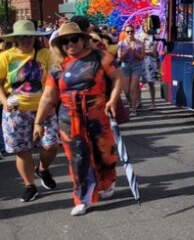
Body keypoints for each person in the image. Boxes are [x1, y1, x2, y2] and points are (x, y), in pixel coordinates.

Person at [34, 22, 123, 216]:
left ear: (83, 40)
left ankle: (107, 181)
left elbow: (117, 78)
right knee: (78, 158)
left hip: (98, 115)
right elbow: (48, 96)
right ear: (60, 45)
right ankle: (83, 198)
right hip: (69, 118)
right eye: (65, 42)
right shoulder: (57, 66)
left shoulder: (100, 57)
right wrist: (38, 122)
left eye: (74, 39)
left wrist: (113, 101)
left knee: (104, 153)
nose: (70, 44)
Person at [0, 20, 58, 202]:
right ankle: (29, 185)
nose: (26, 39)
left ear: (35, 38)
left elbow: (54, 82)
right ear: (15, 39)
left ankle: (42, 169)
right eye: (22, 36)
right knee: (22, 150)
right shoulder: (5, 56)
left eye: (30, 36)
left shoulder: (45, 54)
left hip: (44, 108)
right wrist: (4, 102)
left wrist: (51, 105)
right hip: (16, 111)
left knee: (51, 145)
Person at [117, 25, 145, 116]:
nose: (130, 33)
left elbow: (142, 57)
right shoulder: (121, 43)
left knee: (133, 89)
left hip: (136, 66)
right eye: (128, 31)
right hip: (125, 66)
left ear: (134, 32)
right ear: (125, 33)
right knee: (126, 91)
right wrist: (127, 50)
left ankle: (133, 109)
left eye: (131, 31)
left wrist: (134, 52)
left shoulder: (140, 43)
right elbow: (119, 58)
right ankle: (131, 103)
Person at [140, 27, 160, 110]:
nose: (146, 27)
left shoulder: (154, 36)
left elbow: (153, 51)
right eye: (144, 25)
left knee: (150, 82)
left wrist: (142, 52)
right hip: (140, 60)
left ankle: (153, 102)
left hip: (150, 61)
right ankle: (138, 102)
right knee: (139, 83)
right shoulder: (139, 36)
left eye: (147, 25)